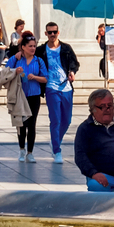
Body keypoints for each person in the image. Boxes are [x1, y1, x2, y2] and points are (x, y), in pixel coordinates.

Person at [36, 22, 79, 158]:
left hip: (66, 87)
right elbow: (29, 55)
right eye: (50, 32)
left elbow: (74, 63)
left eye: (54, 32)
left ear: (58, 32)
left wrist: (72, 71)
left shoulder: (66, 48)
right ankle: (57, 150)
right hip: (51, 87)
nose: (52, 35)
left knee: (67, 120)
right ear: (46, 34)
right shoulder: (41, 50)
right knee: (55, 120)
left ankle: (56, 141)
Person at [0, 35, 41, 159]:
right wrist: (15, 71)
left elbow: (45, 77)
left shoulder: (38, 60)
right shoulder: (15, 59)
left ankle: (30, 152)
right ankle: (22, 149)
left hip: (34, 95)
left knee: (32, 124)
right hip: (19, 95)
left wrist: (35, 77)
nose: (33, 48)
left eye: (34, 46)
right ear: (23, 47)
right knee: (21, 123)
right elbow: (4, 73)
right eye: (30, 46)